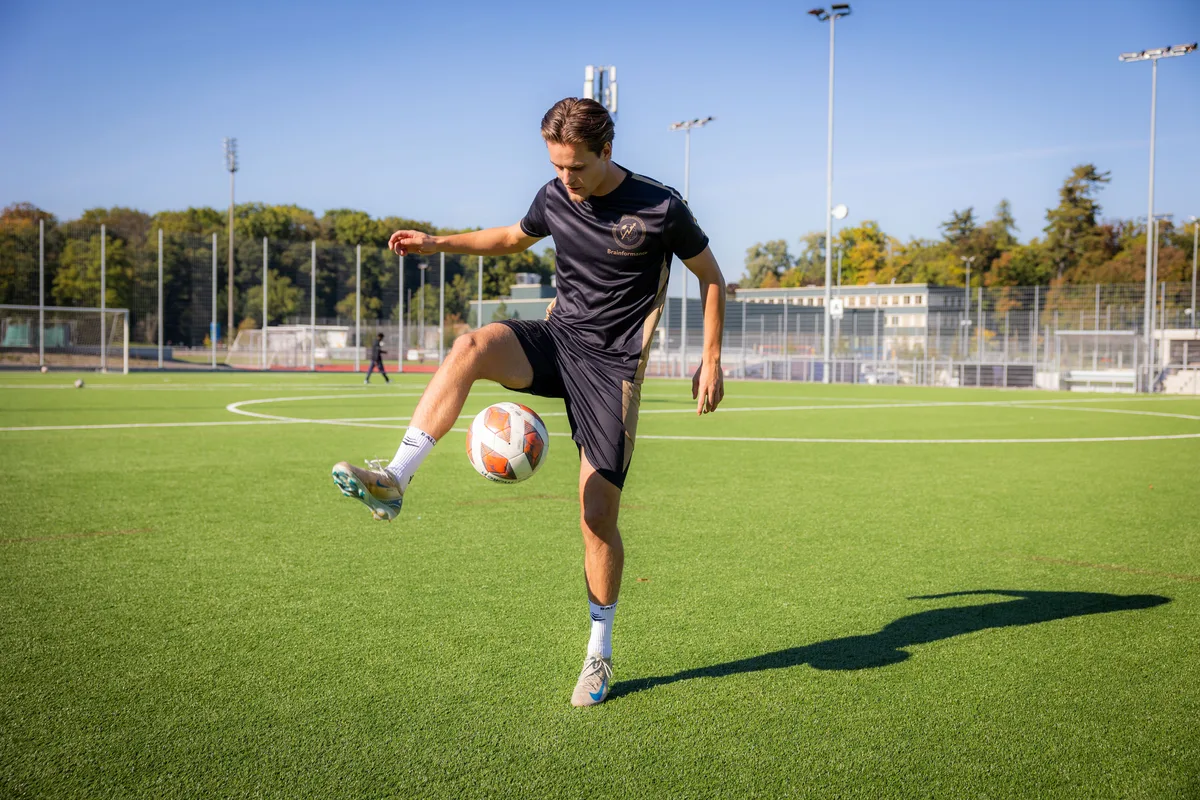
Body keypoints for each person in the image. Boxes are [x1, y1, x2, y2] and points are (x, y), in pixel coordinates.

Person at [331, 97, 726, 707]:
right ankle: (396, 477)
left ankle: (599, 653)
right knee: (471, 346)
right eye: (556, 167)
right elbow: (514, 239)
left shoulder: (659, 206)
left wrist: (712, 358)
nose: (566, 180)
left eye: (577, 168)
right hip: (557, 338)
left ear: (607, 152)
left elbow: (711, 276)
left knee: (596, 518)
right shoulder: (553, 194)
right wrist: (438, 242)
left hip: (611, 370)